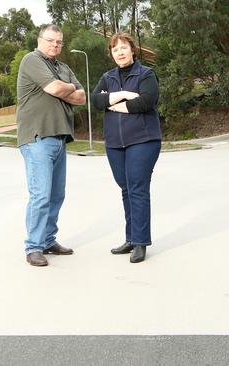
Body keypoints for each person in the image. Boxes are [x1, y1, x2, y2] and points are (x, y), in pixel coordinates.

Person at [16, 24, 86, 267]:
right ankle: (33, 246)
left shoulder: (63, 67)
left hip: (59, 138)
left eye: (59, 42)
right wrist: (66, 87)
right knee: (41, 194)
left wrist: (62, 89)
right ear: (39, 40)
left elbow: (82, 96)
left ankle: (47, 240)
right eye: (50, 40)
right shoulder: (32, 60)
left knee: (56, 195)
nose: (55, 45)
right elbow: (59, 88)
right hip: (37, 138)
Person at [91, 32, 162, 264]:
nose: (119, 52)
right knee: (126, 189)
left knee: (137, 188)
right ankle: (131, 238)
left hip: (143, 140)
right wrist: (121, 95)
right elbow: (95, 101)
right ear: (111, 54)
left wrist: (111, 104)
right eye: (115, 49)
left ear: (132, 50)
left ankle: (141, 242)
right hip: (115, 144)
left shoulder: (146, 74)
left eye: (123, 47)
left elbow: (146, 102)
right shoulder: (108, 77)